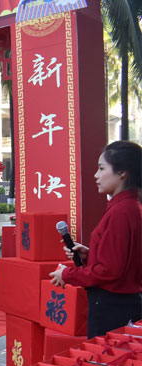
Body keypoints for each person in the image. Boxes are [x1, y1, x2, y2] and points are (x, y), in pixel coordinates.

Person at [50, 141, 142, 339]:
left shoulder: (122, 211)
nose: (96, 176)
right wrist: (90, 256)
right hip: (123, 303)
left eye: (101, 169)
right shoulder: (130, 207)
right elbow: (122, 262)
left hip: (111, 306)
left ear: (122, 173)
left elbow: (111, 271)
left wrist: (68, 274)